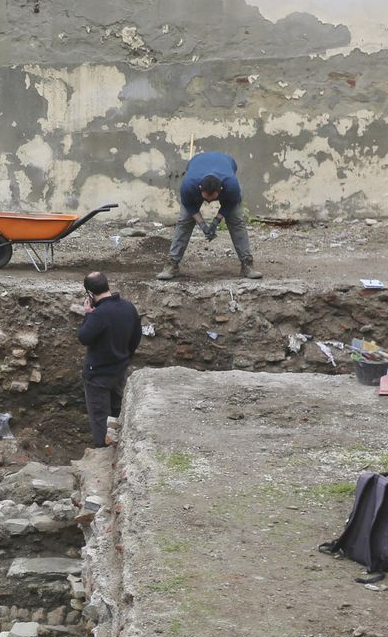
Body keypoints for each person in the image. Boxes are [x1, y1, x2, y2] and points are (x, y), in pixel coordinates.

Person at [157, 150, 261, 279]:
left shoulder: (231, 185)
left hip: (226, 163)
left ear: (221, 190)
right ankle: (172, 265)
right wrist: (203, 225)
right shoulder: (189, 185)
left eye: (213, 198)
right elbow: (190, 206)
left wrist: (216, 222)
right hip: (196, 164)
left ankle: (247, 264)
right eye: (206, 198)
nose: (209, 202)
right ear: (200, 188)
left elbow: (230, 204)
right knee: (184, 222)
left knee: (236, 221)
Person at [77, 272, 142, 448]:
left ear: (90, 294)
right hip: (119, 370)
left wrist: (88, 314)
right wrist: (126, 357)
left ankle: (103, 451)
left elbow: (84, 337)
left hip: (98, 375)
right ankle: (117, 446)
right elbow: (136, 336)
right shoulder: (128, 307)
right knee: (115, 411)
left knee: (100, 418)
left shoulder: (98, 315)